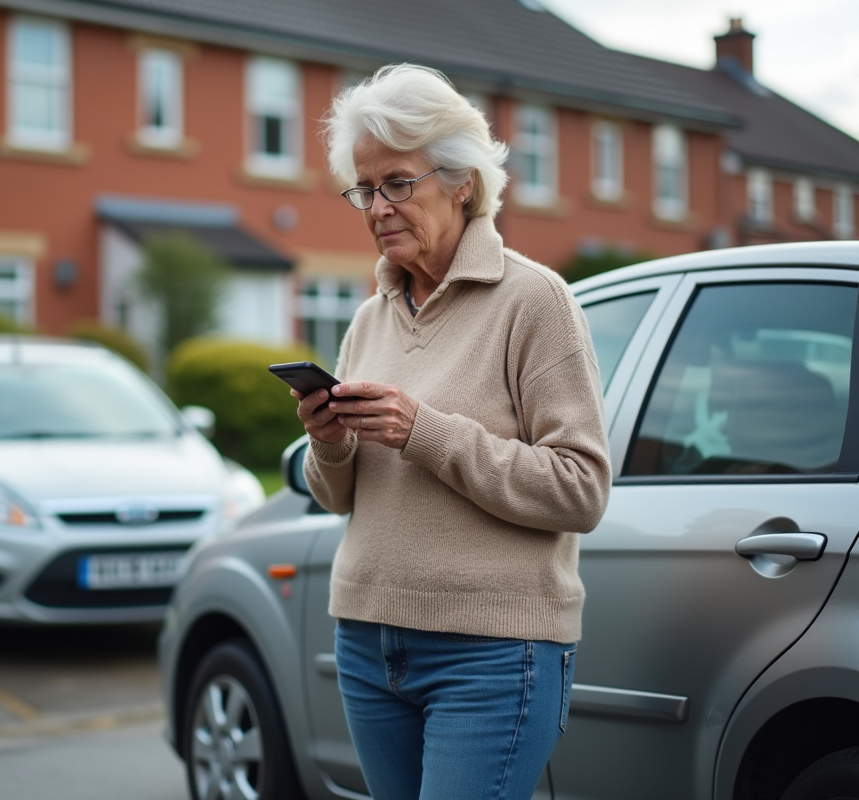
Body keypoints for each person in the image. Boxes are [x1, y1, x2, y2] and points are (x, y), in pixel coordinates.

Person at [294, 64, 612, 800]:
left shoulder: (535, 301)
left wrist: (424, 432)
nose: (377, 207)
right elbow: (338, 498)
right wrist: (329, 440)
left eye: (397, 183)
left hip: (493, 654)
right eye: (364, 189)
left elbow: (581, 489)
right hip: (367, 642)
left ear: (462, 179)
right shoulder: (370, 316)